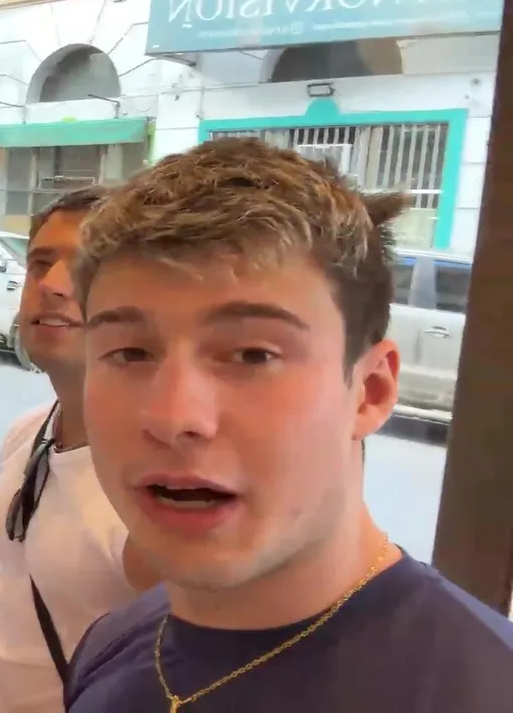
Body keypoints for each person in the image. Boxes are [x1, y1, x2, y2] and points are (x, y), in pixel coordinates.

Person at [63, 137, 513, 712]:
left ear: (370, 391)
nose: (175, 418)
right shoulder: (112, 644)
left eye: (253, 354)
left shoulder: (482, 688)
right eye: (129, 353)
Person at [0, 189, 157, 713]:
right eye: (40, 263)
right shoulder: (31, 432)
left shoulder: (162, 484)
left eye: (86, 266)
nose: (52, 285)